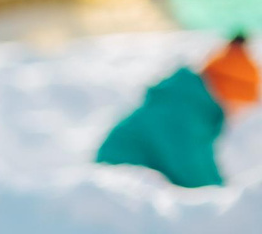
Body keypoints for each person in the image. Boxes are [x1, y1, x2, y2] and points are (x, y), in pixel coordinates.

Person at [95, 33, 255, 188]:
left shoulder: (189, 104)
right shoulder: (182, 112)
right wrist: (229, 198)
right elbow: (194, 174)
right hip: (117, 184)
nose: (240, 113)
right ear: (228, 92)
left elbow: (201, 165)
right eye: (241, 104)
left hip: (131, 183)